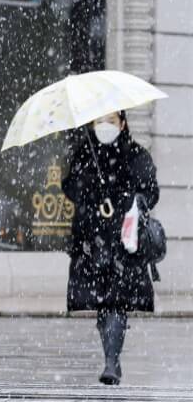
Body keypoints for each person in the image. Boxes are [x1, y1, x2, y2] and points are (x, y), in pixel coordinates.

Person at [62, 110, 159, 386]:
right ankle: (111, 355)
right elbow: (70, 188)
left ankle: (112, 362)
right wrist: (88, 181)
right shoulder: (85, 152)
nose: (104, 126)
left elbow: (150, 191)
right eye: (98, 121)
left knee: (115, 302)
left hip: (124, 243)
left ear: (123, 123)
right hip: (92, 242)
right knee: (102, 301)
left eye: (111, 121)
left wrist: (130, 198)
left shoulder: (135, 154)